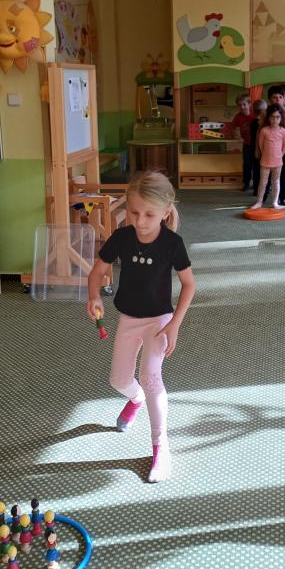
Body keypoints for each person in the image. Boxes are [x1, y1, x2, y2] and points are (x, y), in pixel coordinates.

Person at [86, 170, 196, 484]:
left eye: (149, 214)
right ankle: (135, 400)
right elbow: (97, 272)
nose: (141, 221)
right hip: (129, 319)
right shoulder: (122, 238)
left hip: (159, 321)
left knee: (150, 377)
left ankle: (161, 447)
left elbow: (189, 285)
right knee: (119, 380)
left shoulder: (172, 243)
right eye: (134, 212)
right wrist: (94, 296)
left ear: (166, 212)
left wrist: (175, 324)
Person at [250, 103, 285, 210]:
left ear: (281, 118)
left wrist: (279, 155)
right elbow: (261, 145)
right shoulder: (264, 131)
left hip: (278, 162)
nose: (275, 120)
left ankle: (275, 202)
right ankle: (259, 202)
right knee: (263, 182)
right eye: (272, 117)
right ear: (268, 117)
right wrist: (266, 155)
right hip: (265, 161)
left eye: (277, 117)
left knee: (276, 182)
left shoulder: (284, 132)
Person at [268, 85, 285, 205]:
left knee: (283, 174)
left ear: (284, 99)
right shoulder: (268, 113)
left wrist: (282, 112)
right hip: (269, 147)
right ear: (270, 100)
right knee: (268, 174)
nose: (277, 99)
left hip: (282, 148)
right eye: (274, 97)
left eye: (280, 97)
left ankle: (283, 197)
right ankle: (267, 197)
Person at [230, 93, 254, 191]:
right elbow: (233, 128)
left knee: (257, 165)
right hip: (247, 144)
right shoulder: (238, 116)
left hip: (258, 145)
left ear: (249, 104)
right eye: (240, 105)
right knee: (247, 165)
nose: (242, 107)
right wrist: (238, 136)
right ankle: (246, 183)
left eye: (244, 104)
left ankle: (257, 184)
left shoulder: (255, 114)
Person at [249, 98, 267, 198]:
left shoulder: (255, 122)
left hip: (257, 149)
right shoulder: (258, 123)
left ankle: (257, 189)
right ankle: (257, 189)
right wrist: (257, 150)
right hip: (258, 149)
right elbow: (256, 137)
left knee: (258, 170)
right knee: (259, 170)